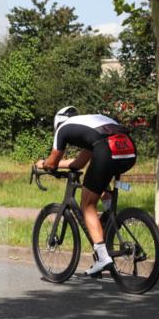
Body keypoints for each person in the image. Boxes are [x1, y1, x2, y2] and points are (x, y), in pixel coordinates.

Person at [35, 106, 137, 277]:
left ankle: (103, 258)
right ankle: (109, 220)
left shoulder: (63, 129)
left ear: (57, 122)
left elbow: (52, 162)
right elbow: (78, 163)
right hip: (128, 150)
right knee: (100, 188)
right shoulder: (89, 126)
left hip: (107, 150)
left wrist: (43, 164)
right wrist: (60, 164)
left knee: (87, 204)